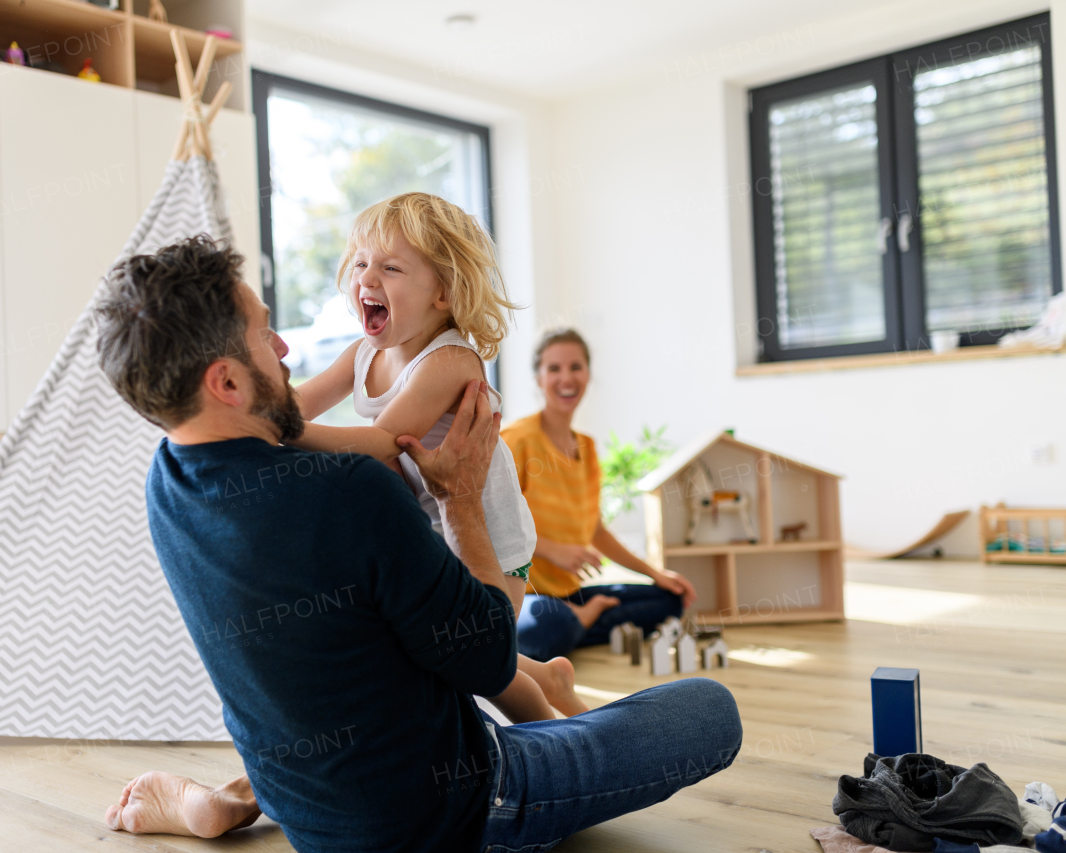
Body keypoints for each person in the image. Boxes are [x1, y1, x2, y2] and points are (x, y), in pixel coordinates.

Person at [94, 235, 742, 851]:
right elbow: (489, 659)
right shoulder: (347, 490)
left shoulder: (168, 478)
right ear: (227, 383)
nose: (286, 347)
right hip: (449, 815)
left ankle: (229, 797)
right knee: (708, 710)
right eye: (266, 336)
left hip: (311, 813)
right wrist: (460, 503)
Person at [289, 192, 585, 721]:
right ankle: (548, 675)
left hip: (490, 537)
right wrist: (252, 408)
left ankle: (557, 743)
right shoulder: (361, 354)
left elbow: (383, 442)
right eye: (360, 263)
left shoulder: (449, 359)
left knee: (482, 663)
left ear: (444, 293)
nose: (367, 279)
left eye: (391, 267)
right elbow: (298, 403)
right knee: (442, 651)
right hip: (428, 528)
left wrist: (283, 430)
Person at [504, 328, 699, 662]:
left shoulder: (587, 448)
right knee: (545, 626)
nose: (566, 378)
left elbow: (596, 530)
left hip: (569, 592)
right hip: (523, 596)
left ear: (588, 375)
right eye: (554, 368)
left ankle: (576, 622)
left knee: (669, 600)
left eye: (575, 367)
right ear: (538, 378)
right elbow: (492, 522)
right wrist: (552, 551)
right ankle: (578, 621)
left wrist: (656, 574)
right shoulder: (516, 440)